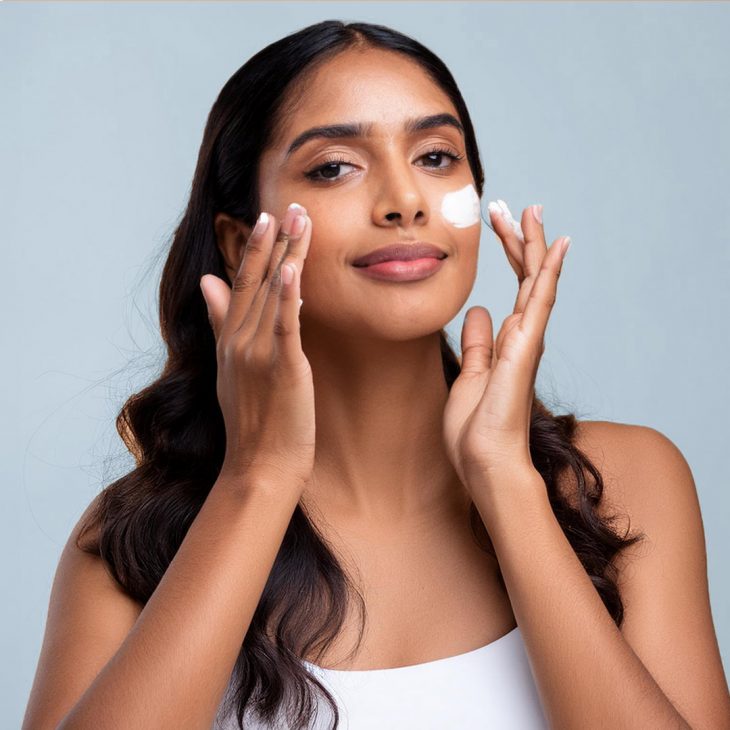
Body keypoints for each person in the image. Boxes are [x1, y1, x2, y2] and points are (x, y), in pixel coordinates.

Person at [23, 19, 729, 730]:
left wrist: (508, 485)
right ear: (242, 244)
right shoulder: (134, 542)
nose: (406, 201)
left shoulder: (625, 482)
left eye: (435, 156)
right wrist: (258, 479)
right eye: (334, 166)